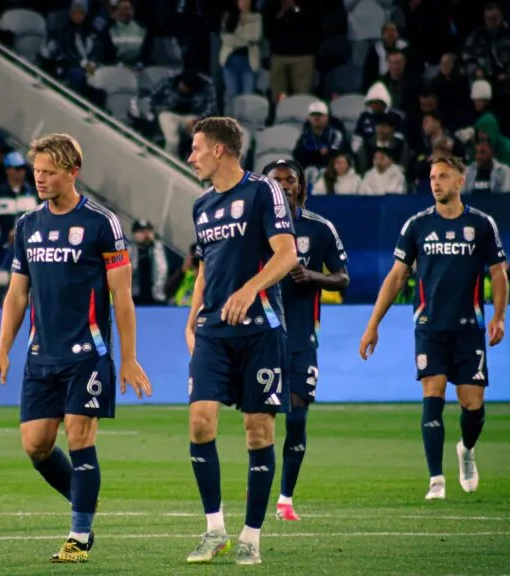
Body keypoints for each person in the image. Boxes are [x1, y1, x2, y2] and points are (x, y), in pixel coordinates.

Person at [0, 133, 151, 563]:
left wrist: (128, 358)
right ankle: (84, 499)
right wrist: (3, 350)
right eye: (36, 171)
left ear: (73, 172)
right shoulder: (27, 226)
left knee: (79, 436)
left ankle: (79, 533)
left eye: (48, 172)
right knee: (36, 445)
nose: (39, 179)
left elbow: (122, 296)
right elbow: (17, 295)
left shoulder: (101, 223)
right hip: (41, 355)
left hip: (87, 353)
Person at [359, 155, 509, 500]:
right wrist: (372, 325)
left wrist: (499, 317)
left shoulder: (481, 224)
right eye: (432, 177)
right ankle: (436, 480)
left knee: (473, 405)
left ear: (461, 181)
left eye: (443, 176)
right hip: (429, 326)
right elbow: (397, 276)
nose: (436, 182)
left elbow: (498, 271)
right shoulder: (417, 225)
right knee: (433, 394)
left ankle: (467, 451)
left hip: (469, 328)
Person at [184, 117, 297, 565]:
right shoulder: (201, 206)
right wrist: (192, 318)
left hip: (260, 328)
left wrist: (250, 288)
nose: (190, 157)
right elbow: (206, 268)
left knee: (258, 430)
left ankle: (251, 534)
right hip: (214, 329)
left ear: (219, 150)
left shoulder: (262, 191)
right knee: (199, 422)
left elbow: (287, 253)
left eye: (195, 148)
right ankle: (214, 530)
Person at [263, 159, 349, 521]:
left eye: (290, 180)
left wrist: (313, 276)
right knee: (262, 421)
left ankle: (285, 500)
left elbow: (343, 278)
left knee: (296, 418)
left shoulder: (320, 229)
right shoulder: (254, 227)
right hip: (261, 338)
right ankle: (258, 498)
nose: (283, 185)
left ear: (301, 188)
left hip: (301, 339)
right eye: (276, 180)